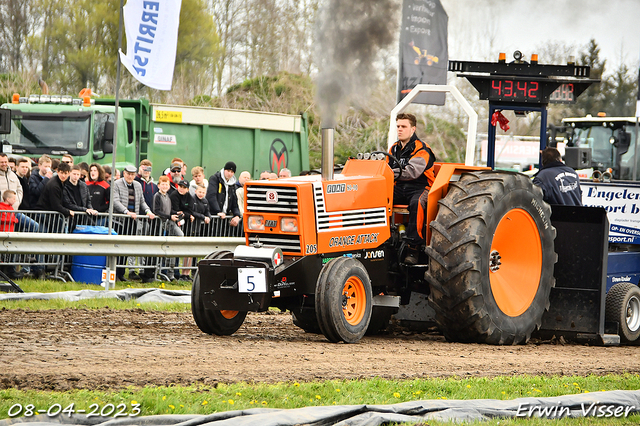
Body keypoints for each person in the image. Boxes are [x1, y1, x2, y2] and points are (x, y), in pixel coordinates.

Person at [388, 112, 436, 265]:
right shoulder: (393, 149)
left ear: (413, 129)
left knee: (417, 203)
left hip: (421, 187)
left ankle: (413, 249)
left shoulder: (422, 149)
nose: (400, 129)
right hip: (400, 186)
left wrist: (388, 172)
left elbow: (412, 172)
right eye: (398, 126)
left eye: (403, 126)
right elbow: (386, 168)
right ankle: (384, 238)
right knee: (378, 198)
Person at [112, 165, 156, 282]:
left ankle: (121, 274)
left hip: (132, 220)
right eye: (128, 174)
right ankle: (114, 272)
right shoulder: (116, 184)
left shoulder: (137, 185)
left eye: (132, 174)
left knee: (126, 247)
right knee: (117, 247)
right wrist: (126, 212)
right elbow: (115, 201)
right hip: (120, 219)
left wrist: (148, 211)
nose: (130, 176)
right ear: (124, 173)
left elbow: (142, 201)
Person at [206, 161, 241, 227]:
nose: (229, 174)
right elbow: (211, 196)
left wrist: (237, 215)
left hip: (225, 218)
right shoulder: (214, 179)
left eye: (232, 172)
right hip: (213, 217)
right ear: (224, 170)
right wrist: (218, 211)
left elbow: (234, 202)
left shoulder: (232, 185)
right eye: (228, 171)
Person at [0, 190, 22, 279]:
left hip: (10, 233)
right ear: (8, 199)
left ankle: (10, 270)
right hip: (3, 233)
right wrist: (13, 220)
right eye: (13, 199)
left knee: (10, 253)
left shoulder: (11, 208)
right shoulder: (2, 207)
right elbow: (4, 218)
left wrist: (14, 220)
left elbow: (12, 217)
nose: (15, 201)